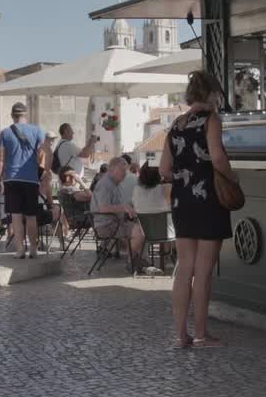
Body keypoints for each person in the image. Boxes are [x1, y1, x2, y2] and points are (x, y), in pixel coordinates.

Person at [160, 70, 234, 349]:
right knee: (203, 271)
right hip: (208, 198)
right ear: (213, 93)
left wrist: (185, 172)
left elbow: (164, 169)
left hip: (182, 201)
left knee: (184, 269)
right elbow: (217, 157)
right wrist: (233, 177)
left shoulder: (176, 124)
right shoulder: (211, 120)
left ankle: (181, 335)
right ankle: (202, 333)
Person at [0, 102, 47, 260]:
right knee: (31, 216)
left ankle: (20, 250)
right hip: (31, 179)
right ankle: (34, 250)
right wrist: (43, 172)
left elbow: (1, 160)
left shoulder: (5, 133)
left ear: (12, 115)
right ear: (26, 115)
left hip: (12, 179)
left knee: (16, 216)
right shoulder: (37, 131)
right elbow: (43, 154)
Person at [91, 157, 146, 274]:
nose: (125, 174)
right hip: (106, 225)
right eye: (122, 170)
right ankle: (131, 261)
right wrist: (124, 208)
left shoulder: (116, 184)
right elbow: (103, 208)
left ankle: (136, 259)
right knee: (140, 232)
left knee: (140, 228)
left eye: (125, 171)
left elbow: (118, 206)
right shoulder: (105, 184)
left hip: (115, 222)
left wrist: (130, 209)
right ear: (111, 170)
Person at [132, 166, 174, 270]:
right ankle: (168, 257)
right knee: (172, 221)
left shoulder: (137, 190)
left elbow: (135, 206)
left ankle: (135, 259)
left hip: (146, 233)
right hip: (167, 233)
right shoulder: (167, 188)